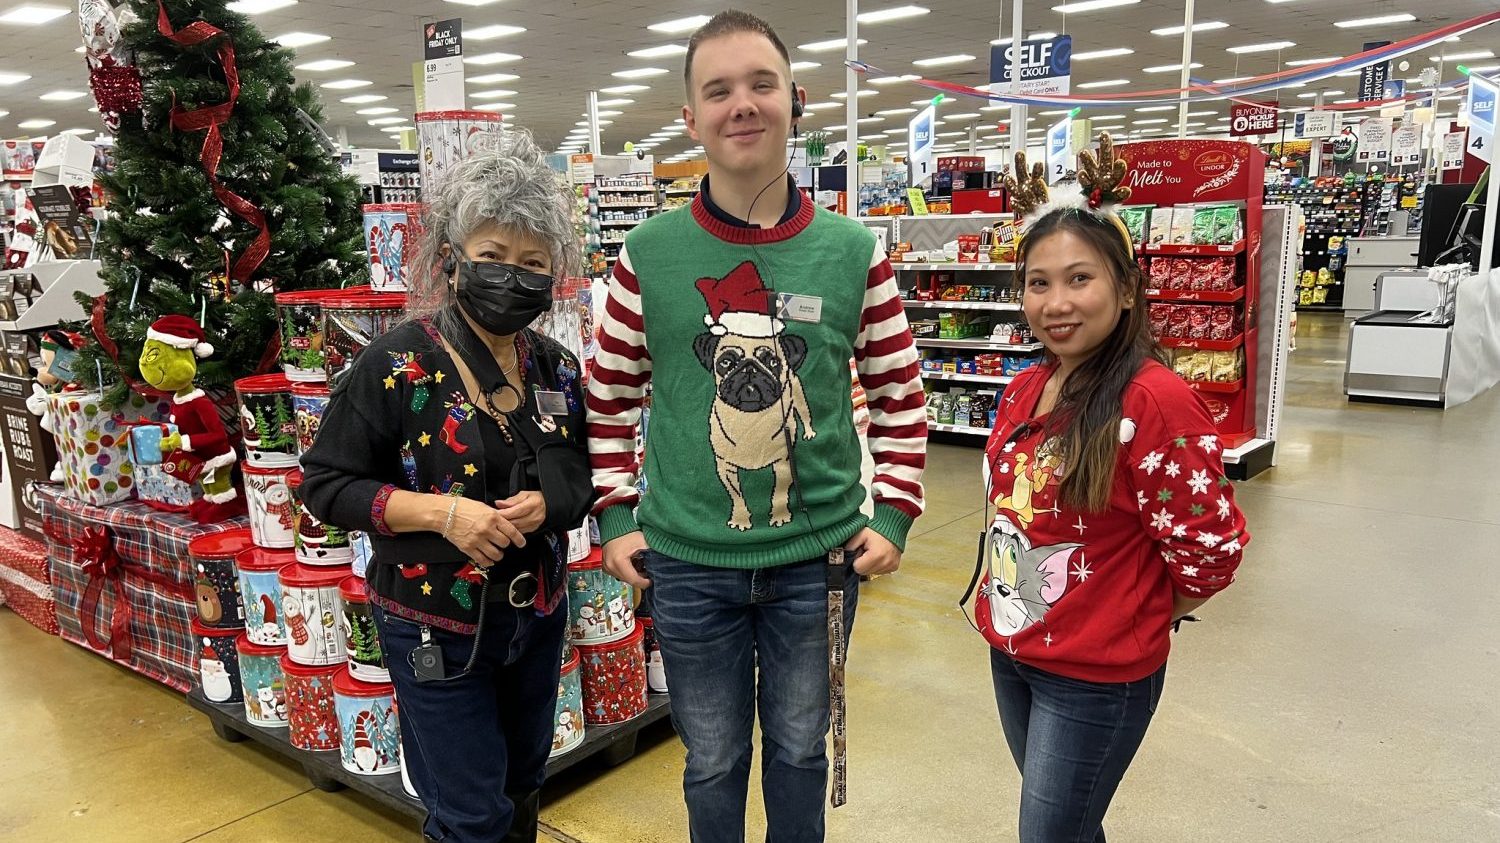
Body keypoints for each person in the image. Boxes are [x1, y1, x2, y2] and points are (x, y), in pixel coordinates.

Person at [585, 10, 928, 842]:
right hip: (689, 561)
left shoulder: (854, 251)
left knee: (801, 751)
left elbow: (899, 389)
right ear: (690, 119)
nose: (743, 104)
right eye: (719, 90)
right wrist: (617, 513)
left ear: (795, 101)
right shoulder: (647, 253)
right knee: (710, 757)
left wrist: (894, 509)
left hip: (817, 563)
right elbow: (608, 395)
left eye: (761, 84)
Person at [300, 130, 594, 843]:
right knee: (470, 816)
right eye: (492, 257)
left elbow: (582, 475)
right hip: (434, 625)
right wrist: (443, 513)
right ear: (453, 261)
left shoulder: (555, 368)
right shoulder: (395, 365)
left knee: (522, 788)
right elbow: (324, 485)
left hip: (537, 616)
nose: (511, 276)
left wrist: (549, 503)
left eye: (532, 263)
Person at [972, 136, 1250, 842]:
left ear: (1126, 289)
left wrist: (1128, 613)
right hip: (1015, 651)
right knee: (1069, 825)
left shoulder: (1153, 400)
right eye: (1038, 282)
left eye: (1079, 279)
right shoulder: (1027, 387)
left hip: (1094, 677)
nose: (1056, 302)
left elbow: (1210, 547)